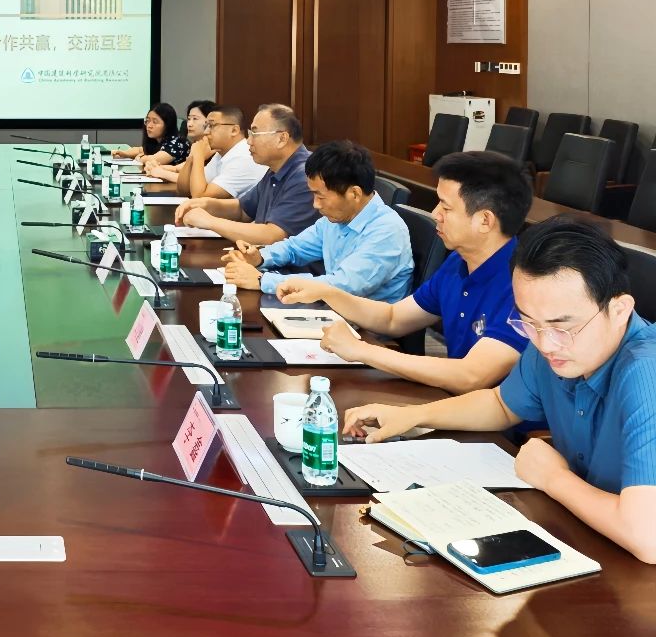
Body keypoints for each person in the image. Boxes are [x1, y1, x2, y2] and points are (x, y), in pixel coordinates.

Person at [343, 218, 656, 564]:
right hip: (595, 538)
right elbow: (501, 404)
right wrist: (413, 416)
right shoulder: (553, 344)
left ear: (619, 310)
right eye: (528, 323)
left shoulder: (647, 372)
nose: (545, 344)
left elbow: (647, 538)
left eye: (561, 327)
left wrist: (553, 477)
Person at [275, 151, 534, 392]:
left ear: (485, 220)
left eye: (446, 207)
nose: (435, 214)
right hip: (455, 403)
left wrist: (361, 350)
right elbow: (393, 318)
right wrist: (326, 292)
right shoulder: (459, 261)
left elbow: (471, 376)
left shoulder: (523, 284)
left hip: (498, 422)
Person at [223, 140, 412, 303]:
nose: (315, 204)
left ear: (354, 193)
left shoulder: (387, 230)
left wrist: (262, 280)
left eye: (320, 196)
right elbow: (294, 248)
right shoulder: (336, 219)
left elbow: (342, 285)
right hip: (331, 312)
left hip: (364, 328)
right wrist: (259, 257)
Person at [174, 103, 318, 247]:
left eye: (255, 134)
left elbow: (273, 235)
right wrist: (205, 204)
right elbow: (243, 210)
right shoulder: (276, 168)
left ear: (282, 139)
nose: (249, 141)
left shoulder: (305, 175)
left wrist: (210, 221)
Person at [173, 104, 266, 198]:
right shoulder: (222, 153)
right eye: (206, 126)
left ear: (234, 130)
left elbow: (199, 197)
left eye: (211, 126)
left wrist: (199, 157)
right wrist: (191, 158)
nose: (206, 132)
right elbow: (183, 191)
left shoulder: (244, 158)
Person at [110, 103, 189, 171]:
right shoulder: (157, 140)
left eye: (155, 122)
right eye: (148, 121)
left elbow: (153, 160)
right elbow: (140, 150)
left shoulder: (177, 143)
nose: (149, 126)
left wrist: (140, 158)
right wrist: (124, 154)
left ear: (168, 124)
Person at [148, 101, 214, 183]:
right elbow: (177, 168)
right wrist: (156, 168)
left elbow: (192, 180)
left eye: (195, 119)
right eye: (189, 119)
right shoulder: (197, 145)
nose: (189, 124)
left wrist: (161, 173)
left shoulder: (215, 149)